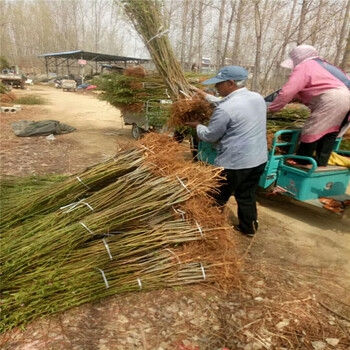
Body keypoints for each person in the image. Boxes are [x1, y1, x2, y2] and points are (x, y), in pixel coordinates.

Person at [186, 65, 267, 237]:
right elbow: (225, 101)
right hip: (258, 159)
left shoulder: (224, 110)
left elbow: (210, 136)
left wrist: (197, 126)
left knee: (216, 197)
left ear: (230, 83)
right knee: (247, 195)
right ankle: (249, 228)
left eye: (219, 84)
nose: (216, 87)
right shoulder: (257, 98)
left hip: (234, 163)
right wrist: (201, 94)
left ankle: (208, 230)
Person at [268, 44, 350, 166]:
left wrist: (273, 108)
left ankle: (302, 161)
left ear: (298, 59)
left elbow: (288, 90)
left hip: (332, 99)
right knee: (331, 131)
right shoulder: (326, 66)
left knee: (312, 128)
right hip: (346, 97)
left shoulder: (304, 66)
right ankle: (321, 163)